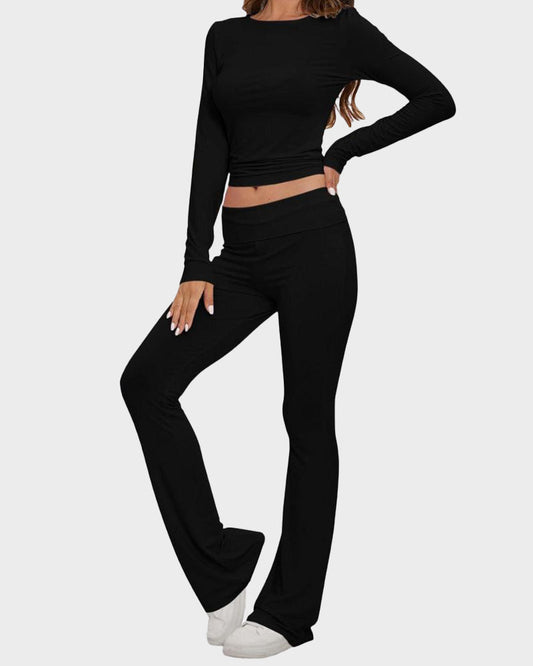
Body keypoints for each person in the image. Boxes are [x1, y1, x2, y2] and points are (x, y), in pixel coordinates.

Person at [120, 0, 455, 658]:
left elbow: (434, 98)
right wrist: (195, 263)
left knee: (305, 418)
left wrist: (345, 150)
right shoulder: (225, 36)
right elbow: (209, 142)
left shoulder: (341, 30)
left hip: (312, 244)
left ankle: (289, 611)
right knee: (146, 383)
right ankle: (222, 570)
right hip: (237, 257)